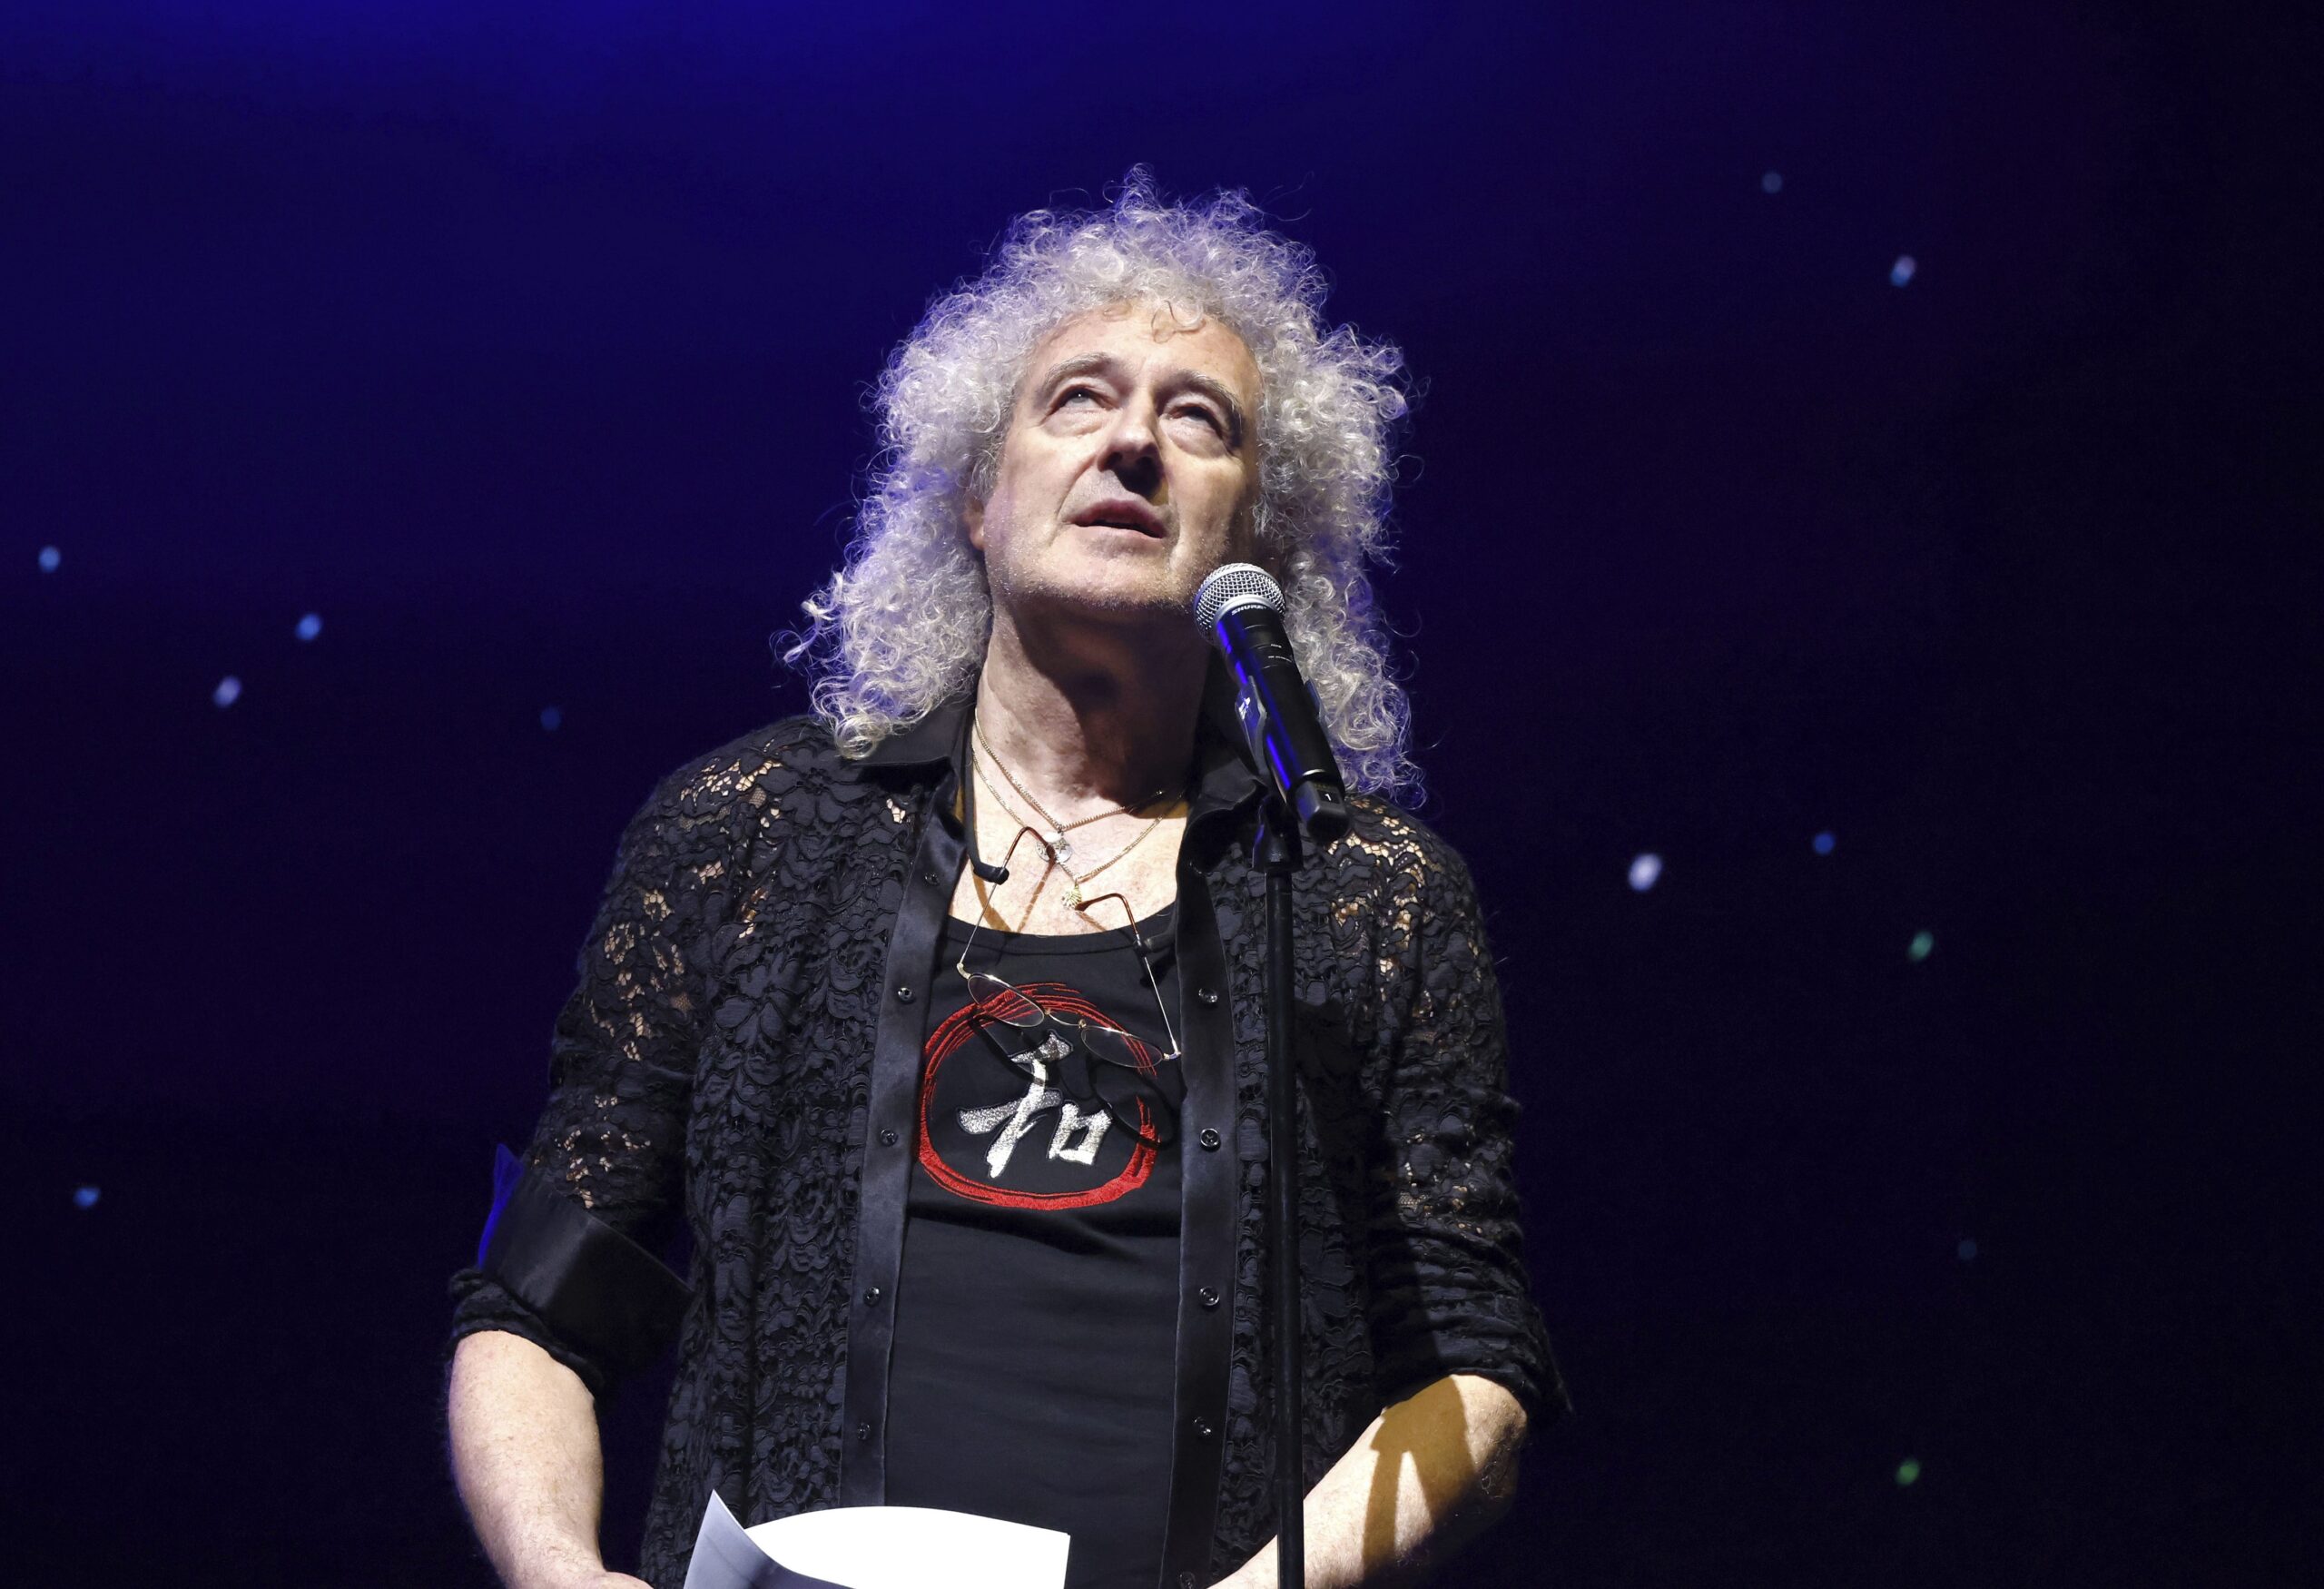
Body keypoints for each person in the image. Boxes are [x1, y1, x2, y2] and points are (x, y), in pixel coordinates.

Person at [445, 172, 1566, 1589]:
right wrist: (558, 1569)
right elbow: (539, 1298)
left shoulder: (1361, 895)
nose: (1136, 447)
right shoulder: (750, 833)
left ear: (1267, 539)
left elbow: (1476, 1367)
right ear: (978, 497)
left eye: (1197, 419)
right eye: (1079, 400)